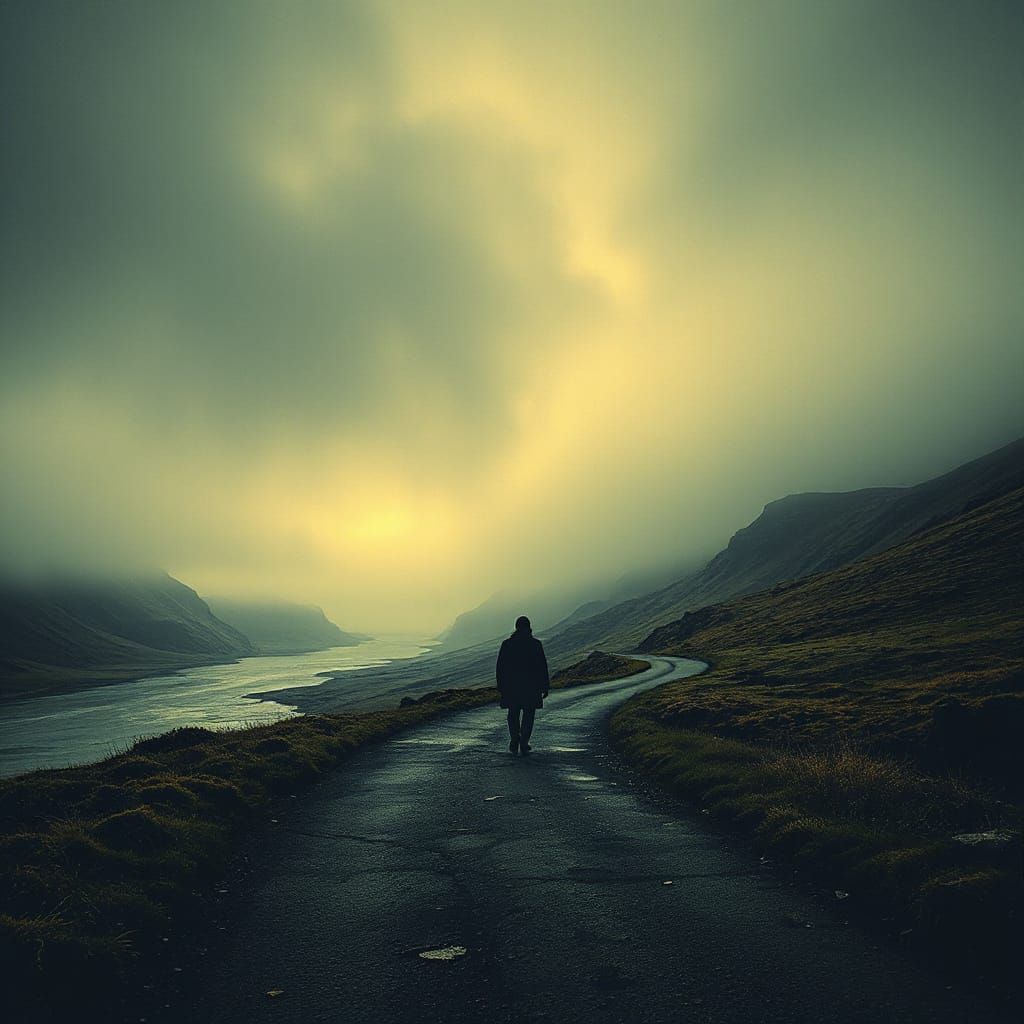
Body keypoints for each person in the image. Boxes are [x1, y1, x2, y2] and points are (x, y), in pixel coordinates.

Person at [496, 615, 549, 754]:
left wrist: (501, 685)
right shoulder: (535, 644)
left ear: (516, 627)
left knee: (513, 712)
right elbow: (542, 666)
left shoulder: (507, 644)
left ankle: (515, 738)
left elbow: (500, 666)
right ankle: (524, 742)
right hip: (531, 686)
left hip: (511, 685)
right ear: (529, 627)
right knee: (529, 713)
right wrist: (545, 686)